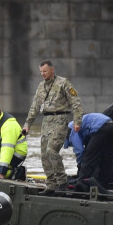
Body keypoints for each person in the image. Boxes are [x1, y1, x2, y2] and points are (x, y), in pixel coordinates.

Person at [22, 60, 85, 192]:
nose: (43, 74)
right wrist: (27, 124)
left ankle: (62, 182)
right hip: (46, 121)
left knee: (52, 150)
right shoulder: (41, 86)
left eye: (45, 71)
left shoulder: (63, 83)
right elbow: (35, 107)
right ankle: (51, 184)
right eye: (41, 72)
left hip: (60, 119)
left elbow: (76, 102)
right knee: (44, 155)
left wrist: (77, 121)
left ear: (52, 69)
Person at [64, 113, 113, 191]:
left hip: (101, 128)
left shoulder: (71, 128)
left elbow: (80, 151)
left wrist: (80, 165)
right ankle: (103, 186)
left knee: (87, 159)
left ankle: (81, 185)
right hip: (112, 127)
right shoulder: (83, 128)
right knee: (106, 160)